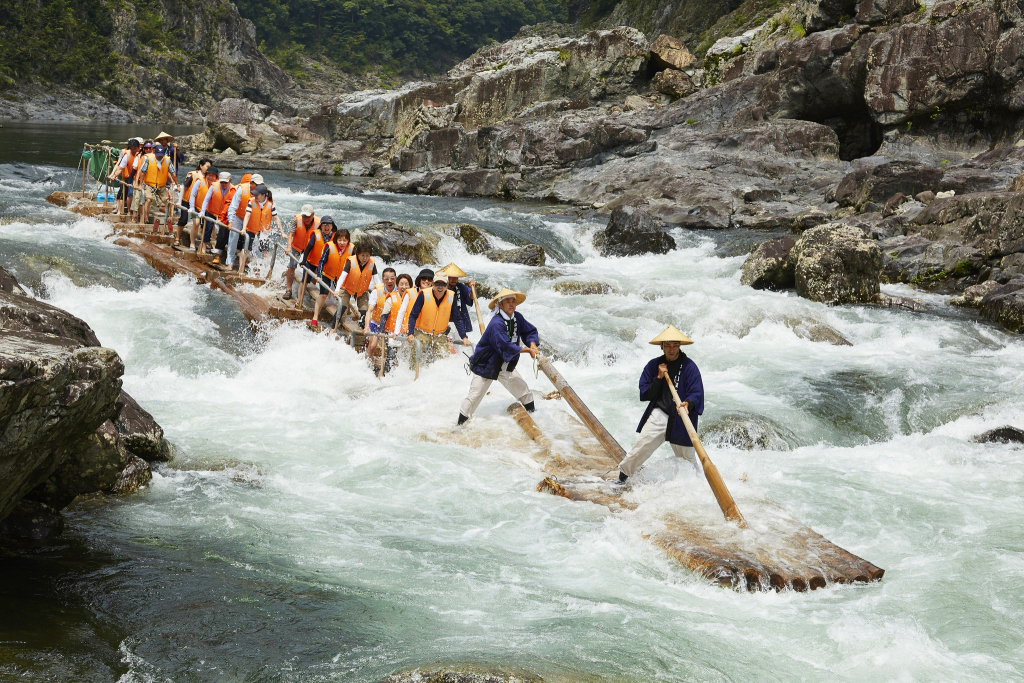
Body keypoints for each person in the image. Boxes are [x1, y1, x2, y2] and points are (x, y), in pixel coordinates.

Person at [616, 325, 704, 485]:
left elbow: (696, 392)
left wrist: (688, 403)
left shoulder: (690, 367)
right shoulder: (653, 365)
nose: (671, 349)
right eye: (668, 345)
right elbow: (646, 393)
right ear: (662, 346)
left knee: (688, 458)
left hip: (682, 415)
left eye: (675, 345)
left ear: (679, 346)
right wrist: (658, 377)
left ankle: (697, 486)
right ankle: (622, 478)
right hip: (661, 413)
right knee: (642, 445)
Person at [457, 288, 538, 425]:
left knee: (524, 391)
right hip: (486, 364)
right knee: (474, 397)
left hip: (505, 363)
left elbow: (529, 330)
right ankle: (458, 427)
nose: (512, 304)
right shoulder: (496, 323)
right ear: (500, 305)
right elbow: (504, 345)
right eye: (508, 302)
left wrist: (532, 344)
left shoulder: (517, 317)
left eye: (513, 301)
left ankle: (536, 419)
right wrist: (527, 350)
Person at [407, 270, 468, 364]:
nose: (440, 286)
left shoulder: (451, 297)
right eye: (437, 283)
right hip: (422, 332)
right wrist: (410, 333)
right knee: (416, 356)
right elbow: (413, 315)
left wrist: (464, 337)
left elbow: (457, 318)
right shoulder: (423, 295)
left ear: (447, 285)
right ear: (432, 284)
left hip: (440, 335)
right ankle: (413, 375)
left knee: (445, 359)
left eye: (443, 284)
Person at [239, 183, 283, 275]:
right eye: (254, 194)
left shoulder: (270, 204)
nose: (255, 196)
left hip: (264, 230)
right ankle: (241, 270)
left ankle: (267, 272)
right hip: (251, 228)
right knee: (245, 249)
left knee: (265, 251)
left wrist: (282, 232)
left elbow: (276, 218)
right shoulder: (251, 202)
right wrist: (243, 228)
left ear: (263, 195)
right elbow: (247, 215)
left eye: (257, 195)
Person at [295, 219, 339, 311]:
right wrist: (303, 260)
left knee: (327, 282)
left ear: (332, 226)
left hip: (324, 264)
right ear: (321, 226)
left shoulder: (335, 236)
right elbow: (308, 248)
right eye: (324, 225)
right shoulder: (316, 235)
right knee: (304, 281)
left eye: (329, 225)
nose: (326, 227)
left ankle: (322, 303)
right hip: (311, 262)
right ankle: (299, 300)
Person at [309, 228, 348, 329]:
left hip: (340, 276)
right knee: (323, 294)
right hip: (327, 274)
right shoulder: (330, 247)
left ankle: (341, 321)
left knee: (344, 297)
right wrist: (319, 275)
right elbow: (321, 261)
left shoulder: (352, 250)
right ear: (336, 240)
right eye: (340, 240)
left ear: (348, 241)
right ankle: (315, 318)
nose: (342, 243)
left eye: (344, 240)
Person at [336, 242, 380, 329]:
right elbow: (342, 277)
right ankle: (333, 329)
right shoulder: (351, 262)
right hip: (347, 288)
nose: (365, 258)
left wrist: (381, 294)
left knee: (365, 313)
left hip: (362, 291)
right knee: (342, 308)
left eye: (367, 256)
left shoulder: (372, 264)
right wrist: (337, 290)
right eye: (362, 255)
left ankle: (361, 331)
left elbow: (377, 280)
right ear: (358, 254)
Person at [137, 144, 179, 231]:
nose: (160, 157)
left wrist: (177, 185)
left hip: (161, 185)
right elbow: (142, 172)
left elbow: (173, 173)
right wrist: (140, 184)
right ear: (154, 153)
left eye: (161, 155)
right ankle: (146, 219)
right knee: (148, 200)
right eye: (158, 155)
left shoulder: (167, 160)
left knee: (168, 201)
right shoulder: (149, 159)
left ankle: (169, 219)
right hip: (149, 184)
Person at [225, 173, 262, 269]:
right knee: (233, 237)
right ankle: (230, 262)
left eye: (259, 185)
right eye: (256, 184)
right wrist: (231, 221)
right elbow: (233, 206)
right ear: (251, 183)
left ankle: (257, 265)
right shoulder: (242, 189)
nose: (258, 186)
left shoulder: (262, 192)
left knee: (255, 241)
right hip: (238, 216)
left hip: (250, 218)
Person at [364, 267, 400, 362]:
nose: (390, 281)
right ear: (383, 280)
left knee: (393, 349)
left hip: (392, 326)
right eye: (387, 278)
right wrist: (367, 326)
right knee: (372, 345)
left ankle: (391, 368)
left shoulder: (400, 292)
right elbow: (370, 311)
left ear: (395, 279)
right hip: (377, 323)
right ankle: (366, 364)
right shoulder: (376, 292)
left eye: (392, 278)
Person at [284, 204, 319, 300]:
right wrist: (288, 247)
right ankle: (288, 289)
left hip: (311, 247)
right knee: (292, 265)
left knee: (312, 269)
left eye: (308, 216)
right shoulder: (296, 219)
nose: (306, 219)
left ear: (313, 214)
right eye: (304, 216)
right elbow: (291, 234)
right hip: (297, 245)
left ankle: (311, 293)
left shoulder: (319, 223)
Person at [176, 158, 211, 245]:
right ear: (201, 166)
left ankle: (202, 241)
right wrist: (179, 202)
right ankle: (177, 238)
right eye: (207, 166)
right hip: (187, 200)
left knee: (201, 222)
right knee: (183, 219)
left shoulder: (209, 178)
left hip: (198, 204)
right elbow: (184, 186)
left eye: (210, 167)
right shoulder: (193, 175)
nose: (208, 169)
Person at [201, 170, 233, 263]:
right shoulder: (214, 186)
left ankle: (218, 254)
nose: (223, 184)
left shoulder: (232, 189)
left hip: (224, 213)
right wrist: (202, 211)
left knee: (223, 232)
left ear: (229, 181)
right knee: (208, 228)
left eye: (225, 183)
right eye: (222, 182)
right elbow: (206, 199)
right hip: (212, 210)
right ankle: (203, 247)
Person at [188, 166, 220, 253]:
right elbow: (193, 195)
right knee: (196, 223)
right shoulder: (199, 181)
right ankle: (192, 243)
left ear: (216, 177)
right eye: (209, 175)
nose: (211, 177)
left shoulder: (218, 185)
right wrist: (192, 207)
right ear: (205, 175)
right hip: (197, 207)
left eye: (213, 175)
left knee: (211, 226)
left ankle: (212, 244)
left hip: (209, 209)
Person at [106, 138, 141, 216]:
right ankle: (128, 211)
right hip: (130, 177)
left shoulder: (142, 154)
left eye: (135, 148)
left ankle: (138, 213)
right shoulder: (126, 155)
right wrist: (114, 175)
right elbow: (120, 168)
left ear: (139, 147)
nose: (133, 150)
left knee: (140, 195)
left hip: (141, 178)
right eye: (131, 148)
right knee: (128, 194)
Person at [440, 263, 476, 335]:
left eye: (456, 277)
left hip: (459, 322)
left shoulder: (460, 286)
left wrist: (473, 288)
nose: (454, 280)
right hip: (443, 322)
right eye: (451, 277)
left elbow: (471, 297)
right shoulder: (439, 287)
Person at [395, 269, 434, 335]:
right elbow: (401, 313)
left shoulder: (435, 295)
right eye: (424, 278)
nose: (426, 281)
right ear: (419, 280)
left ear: (433, 282)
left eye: (429, 279)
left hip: (427, 332)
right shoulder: (410, 293)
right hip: (410, 331)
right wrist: (396, 332)